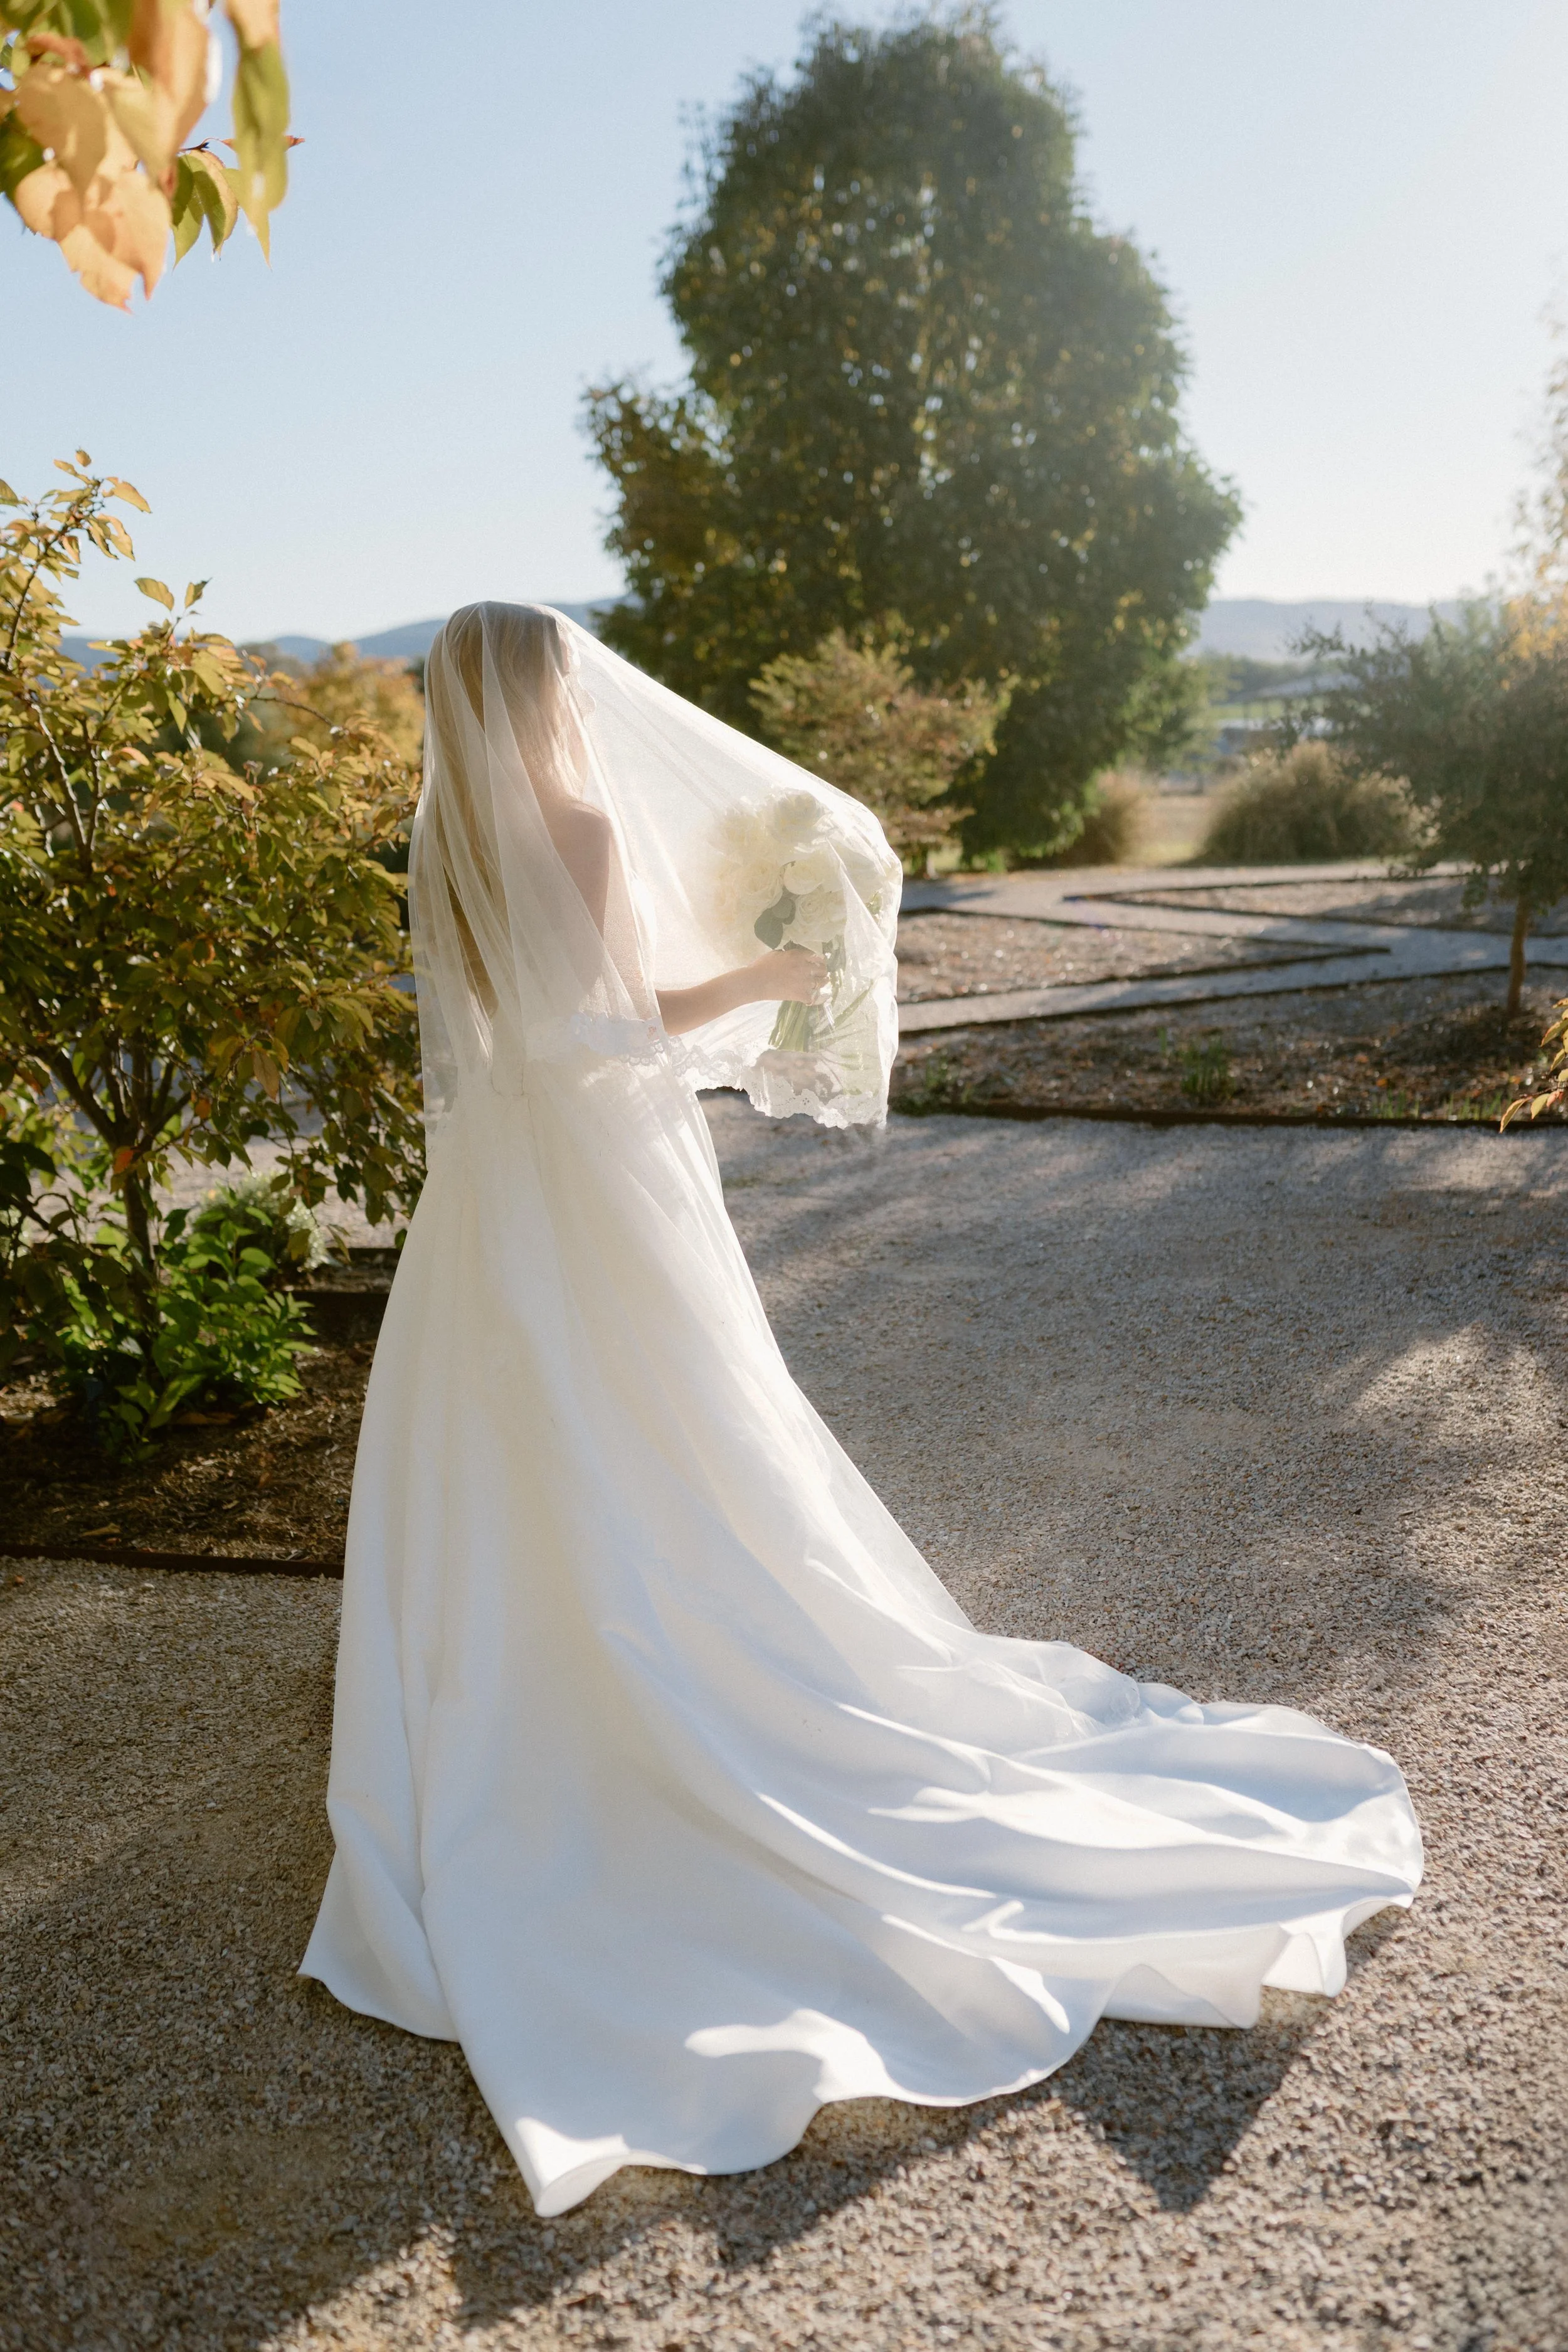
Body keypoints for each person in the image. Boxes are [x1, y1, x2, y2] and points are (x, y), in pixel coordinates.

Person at [301, 602, 1422, 2218]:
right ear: (550, 695)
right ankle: (679, 1698)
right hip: (609, 1192)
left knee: (512, 1449)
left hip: (489, 1208)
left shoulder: (449, 840)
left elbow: (513, 1046)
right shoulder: (577, 821)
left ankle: (501, 1718)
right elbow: (618, 1029)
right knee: (683, 1431)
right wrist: (771, 968)